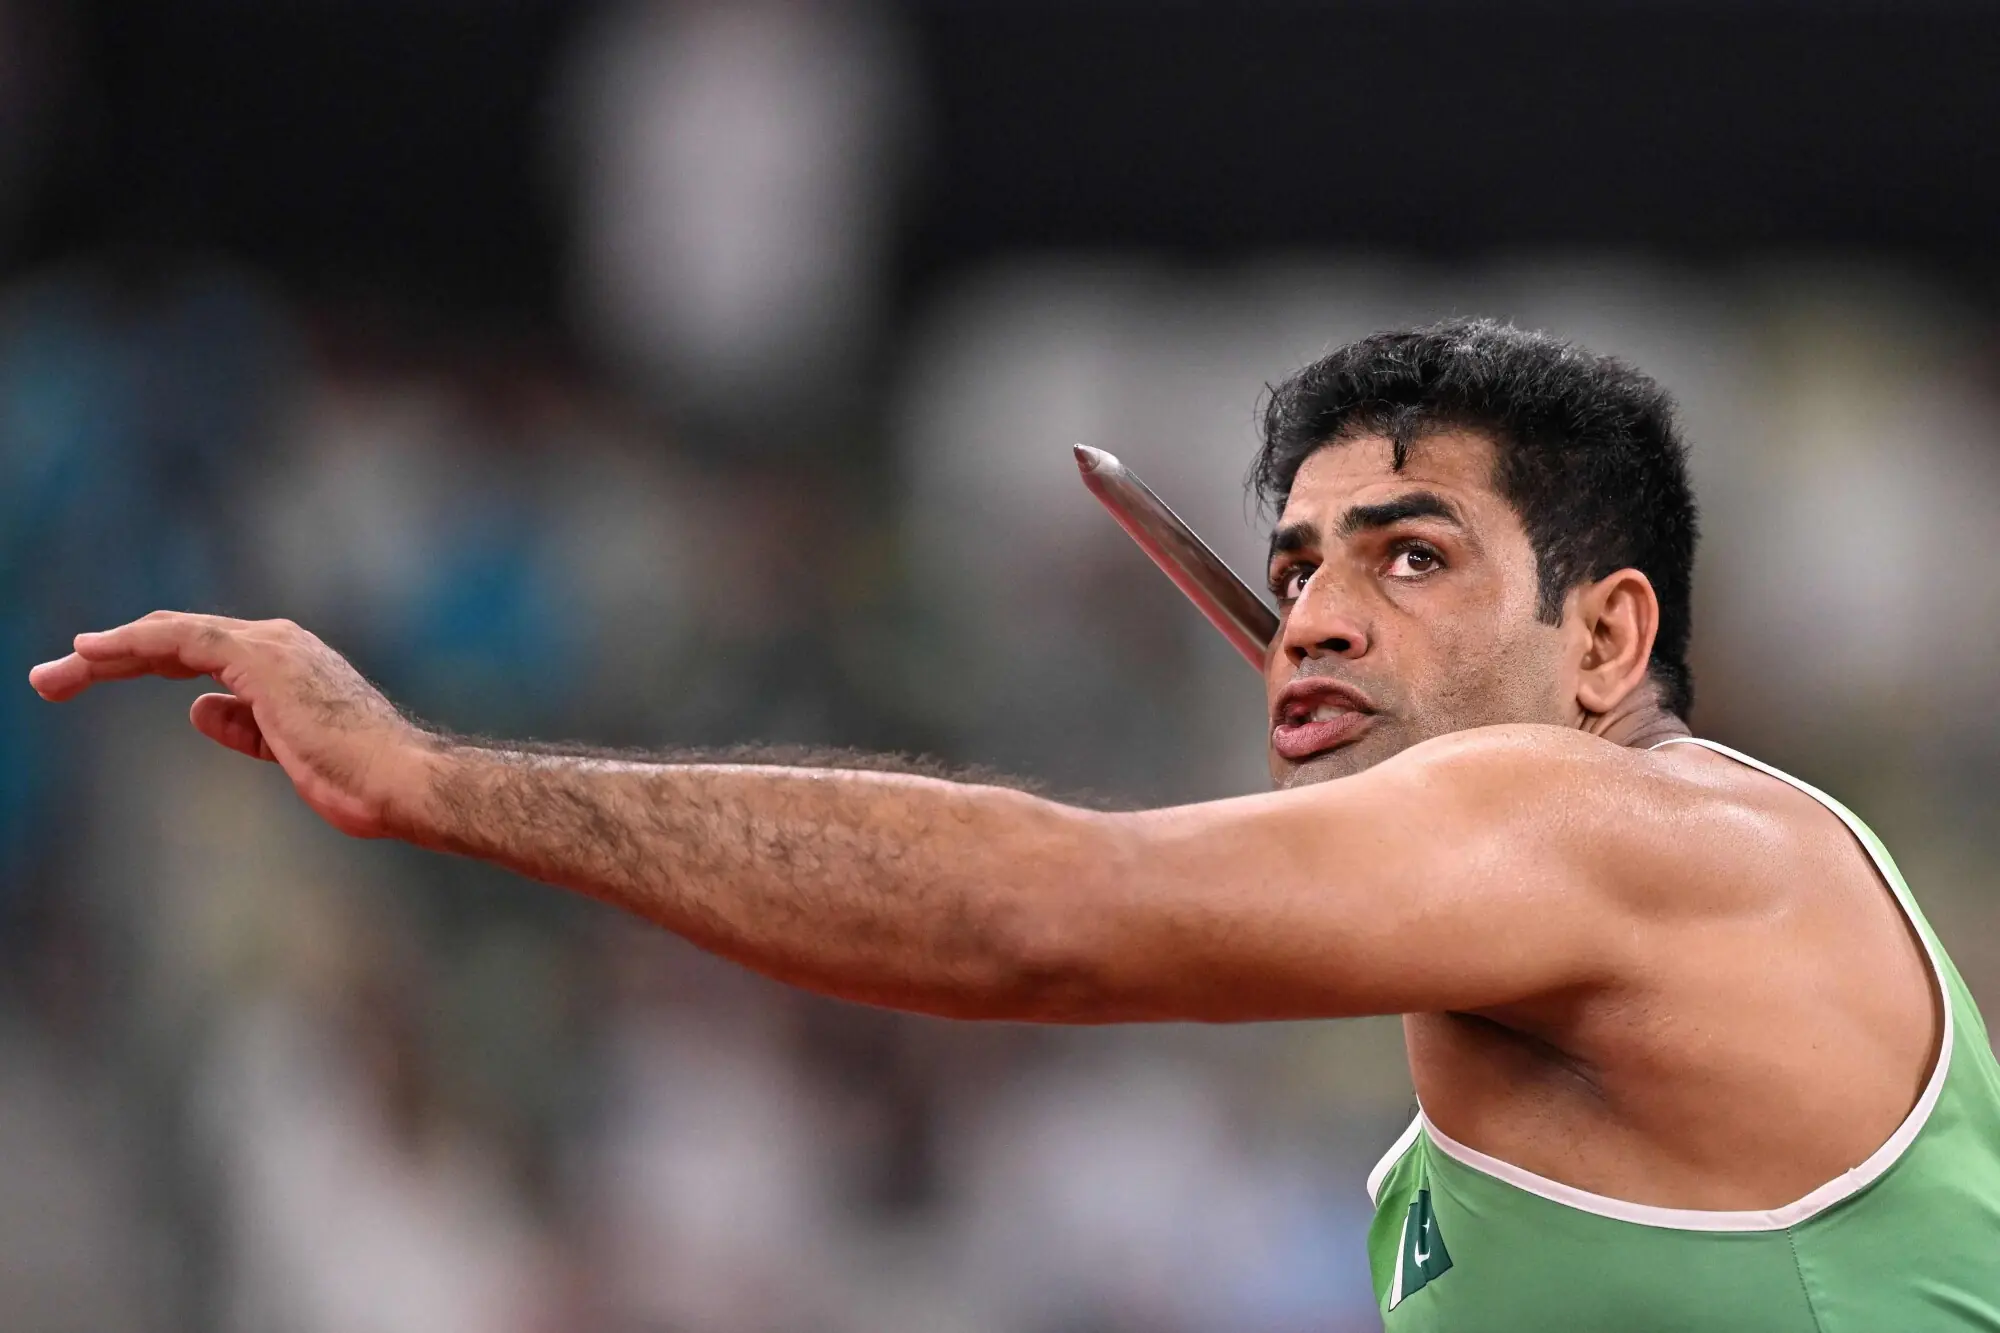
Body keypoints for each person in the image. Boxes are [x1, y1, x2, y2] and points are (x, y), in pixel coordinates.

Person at [29, 320, 2000, 1328]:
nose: (1313, 610)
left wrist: (441, 781)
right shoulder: (1605, 939)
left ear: (1608, 638)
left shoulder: (1633, 830)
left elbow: (1033, 923)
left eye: (1410, 558)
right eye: (1300, 562)